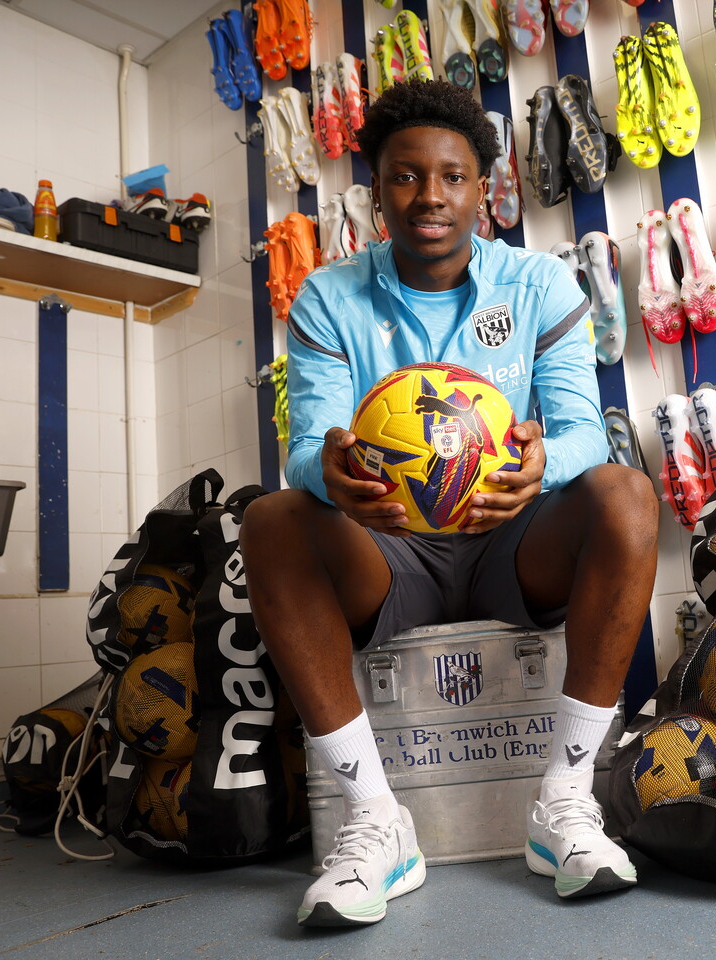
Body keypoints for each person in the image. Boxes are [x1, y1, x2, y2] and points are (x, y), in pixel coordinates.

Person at [240, 77, 660, 928]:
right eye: (405, 175)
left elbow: (582, 429)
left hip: (514, 543)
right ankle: (374, 823)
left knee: (627, 493)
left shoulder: (539, 285)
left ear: (483, 189)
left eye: (452, 176)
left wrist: (541, 468)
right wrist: (332, 470)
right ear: (376, 189)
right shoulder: (327, 297)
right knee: (271, 516)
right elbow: (306, 448)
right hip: (389, 552)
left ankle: (565, 804)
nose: (429, 196)